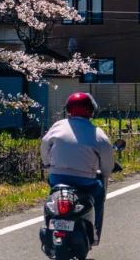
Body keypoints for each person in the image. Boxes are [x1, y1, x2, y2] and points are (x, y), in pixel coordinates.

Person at [40, 92, 115, 245]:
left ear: (68, 109)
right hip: (85, 181)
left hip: (57, 177)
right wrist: (106, 172)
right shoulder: (97, 133)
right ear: (90, 110)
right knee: (99, 193)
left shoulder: (57, 126)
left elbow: (45, 145)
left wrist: (48, 163)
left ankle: (50, 222)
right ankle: (93, 229)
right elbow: (107, 161)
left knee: (53, 195)